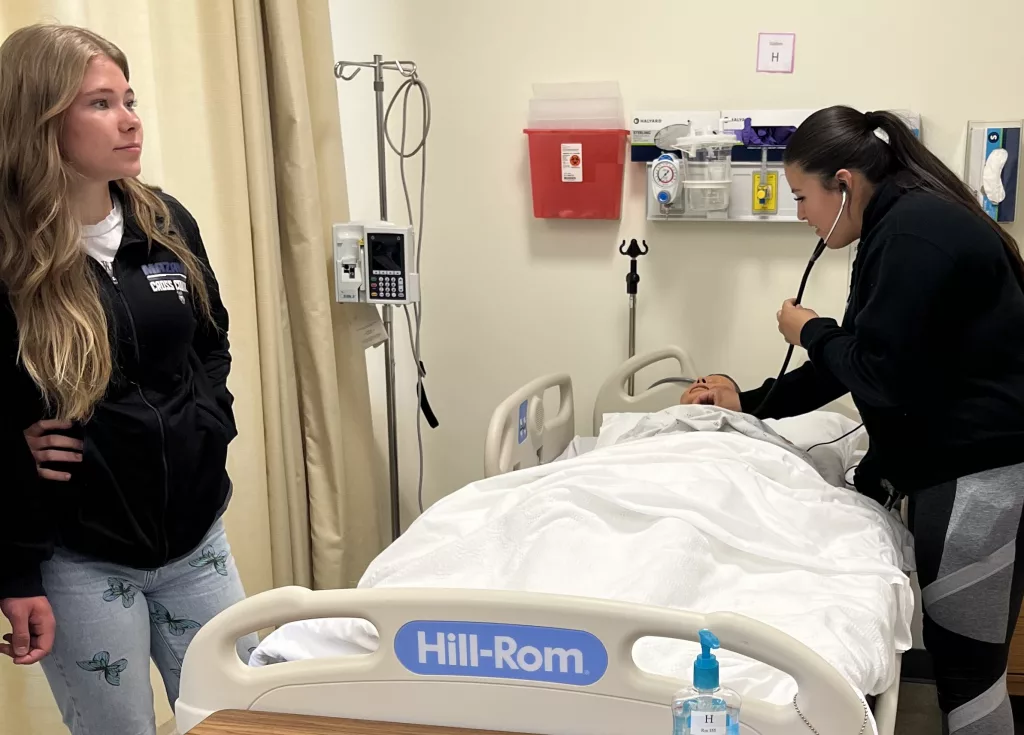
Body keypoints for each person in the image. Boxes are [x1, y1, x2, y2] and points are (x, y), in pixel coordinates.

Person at [682, 105, 1024, 735]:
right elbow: (855, 364)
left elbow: (877, 375)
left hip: (981, 481)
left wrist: (811, 330)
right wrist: (748, 399)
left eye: (802, 196)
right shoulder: (898, 229)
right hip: (958, 473)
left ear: (843, 183)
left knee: (970, 682)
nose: (801, 214)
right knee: (963, 675)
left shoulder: (914, 236)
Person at [0, 23, 257, 734]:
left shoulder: (164, 221)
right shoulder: (11, 259)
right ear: (40, 120)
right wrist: (16, 568)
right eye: (100, 103)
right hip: (80, 564)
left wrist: (209, 424)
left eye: (130, 98)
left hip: (197, 543)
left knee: (250, 717)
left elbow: (212, 341)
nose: (130, 119)